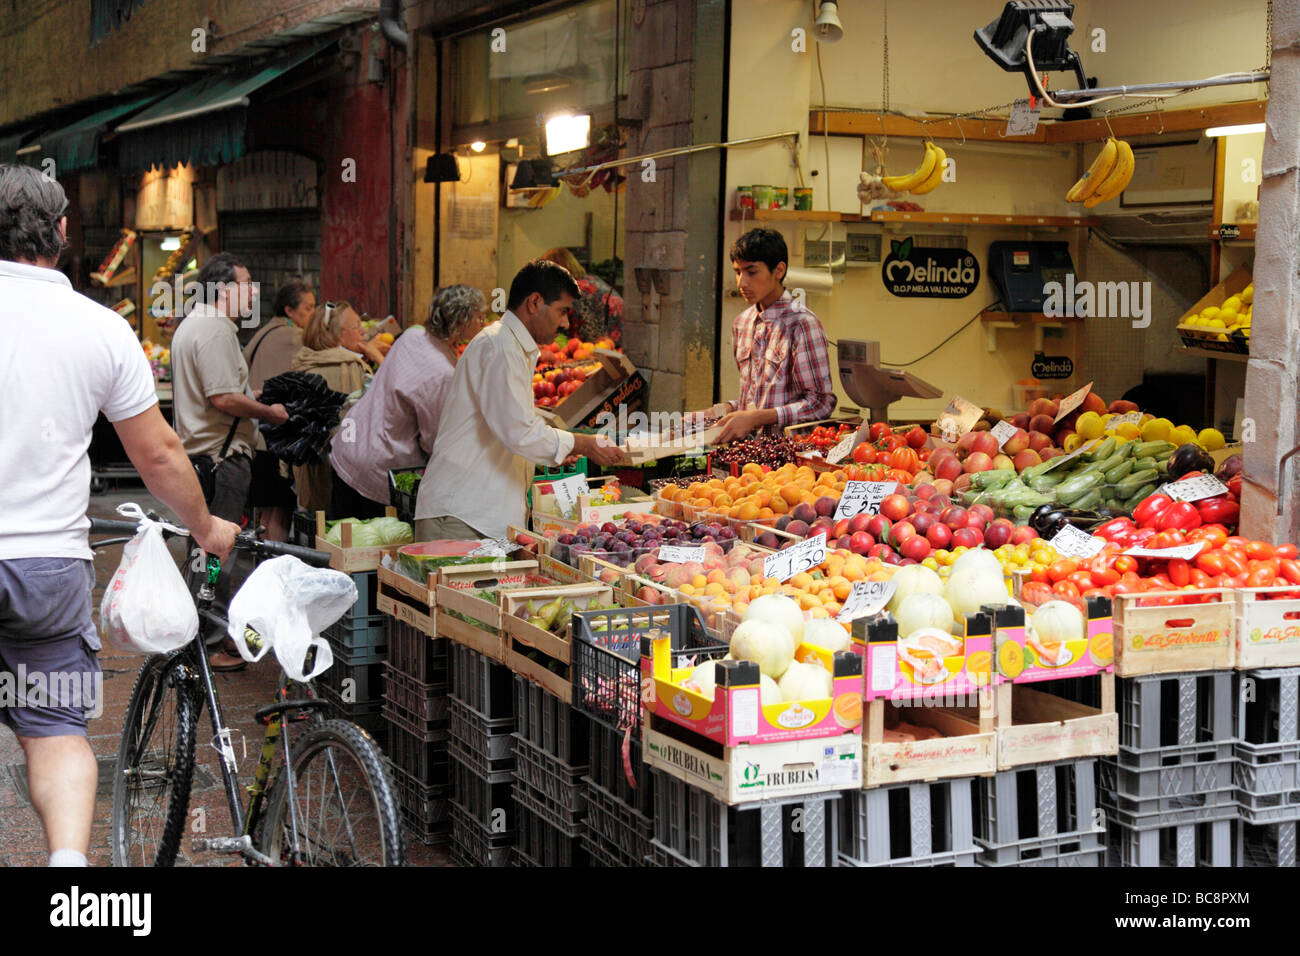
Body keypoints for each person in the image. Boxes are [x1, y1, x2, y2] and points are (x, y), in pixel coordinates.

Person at [0, 164, 239, 866]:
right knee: (54, 733)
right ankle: (69, 874)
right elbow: (160, 455)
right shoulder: (102, 329)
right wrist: (205, 526)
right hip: (49, 567)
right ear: (65, 233)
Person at [414, 261, 626, 542]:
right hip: (461, 518)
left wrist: (555, 447)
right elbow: (518, 432)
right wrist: (581, 443)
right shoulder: (500, 348)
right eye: (562, 311)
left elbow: (511, 425)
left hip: (475, 516)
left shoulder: (509, 346)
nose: (565, 324)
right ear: (535, 302)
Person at [330, 285, 488, 519]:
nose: (484, 324)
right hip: (377, 465)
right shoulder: (442, 374)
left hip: (349, 447)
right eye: (479, 317)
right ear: (461, 322)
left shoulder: (413, 336)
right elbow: (434, 439)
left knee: (340, 542)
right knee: (368, 549)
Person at [695, 228, 837, 444]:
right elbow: (755, 400)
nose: (742, 283)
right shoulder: (742, 323)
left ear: (779, 270)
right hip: (748, 451)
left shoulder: (802, 324)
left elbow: (820, 403)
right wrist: (721, 411)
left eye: (751, 272)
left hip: (788, 458)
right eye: (738, 272)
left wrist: (756, 418)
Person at [244, 276, 315, 541]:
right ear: (289, 310)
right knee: (282, 512)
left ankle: (261, 565)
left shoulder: (263, 331)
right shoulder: (292, 337)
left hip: (257, 437)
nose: (312, 314)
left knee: (266, 513)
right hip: (276, 440)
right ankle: (275, 569)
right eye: (308, 308)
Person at [290, 301, 373, 514]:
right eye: (356, 327)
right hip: (348, 478)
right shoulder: (350, 367)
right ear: (337, 335)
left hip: (312, 472)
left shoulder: (303, 363)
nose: (363, 331)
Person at [538, 246, 623, 344]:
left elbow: (560, 337)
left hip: (605, 345)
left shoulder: (567, 293)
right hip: (626, 338)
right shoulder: (592, 279)